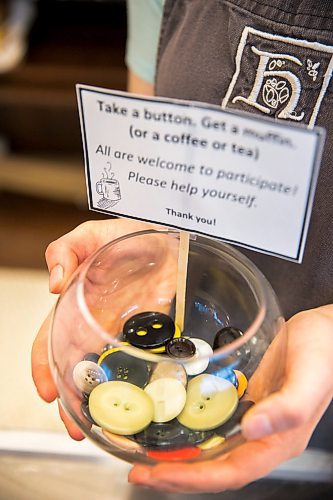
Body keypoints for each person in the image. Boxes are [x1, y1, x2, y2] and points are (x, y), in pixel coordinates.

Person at [31, 0, 333, 494]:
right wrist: (143, 231)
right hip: (184, 297)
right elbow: (153, 127)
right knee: (171, 471)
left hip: (318, 361)